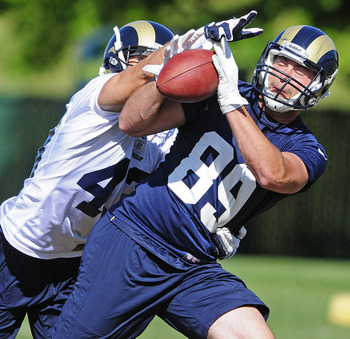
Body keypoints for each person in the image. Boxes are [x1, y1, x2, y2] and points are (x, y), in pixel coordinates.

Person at [51, 14, 338, 338]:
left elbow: (273, 174)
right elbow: (132, 123)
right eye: (283, 62)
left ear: (319, 85)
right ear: (267, 59)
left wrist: (232, 103)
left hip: (193, 263)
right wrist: (167, 71)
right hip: (135, 239)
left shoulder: (308, 148)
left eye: (302, 70)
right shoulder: (216, 92)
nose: (287, 75)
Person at [0, 20, 180, 339]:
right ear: (116, 59)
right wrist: (180, 51)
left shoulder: (165, 132)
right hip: (16, 250)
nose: (149, 66)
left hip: (75, 265)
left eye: (156, 58)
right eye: (137, 56)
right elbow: (138, 78)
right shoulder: (95, 95)